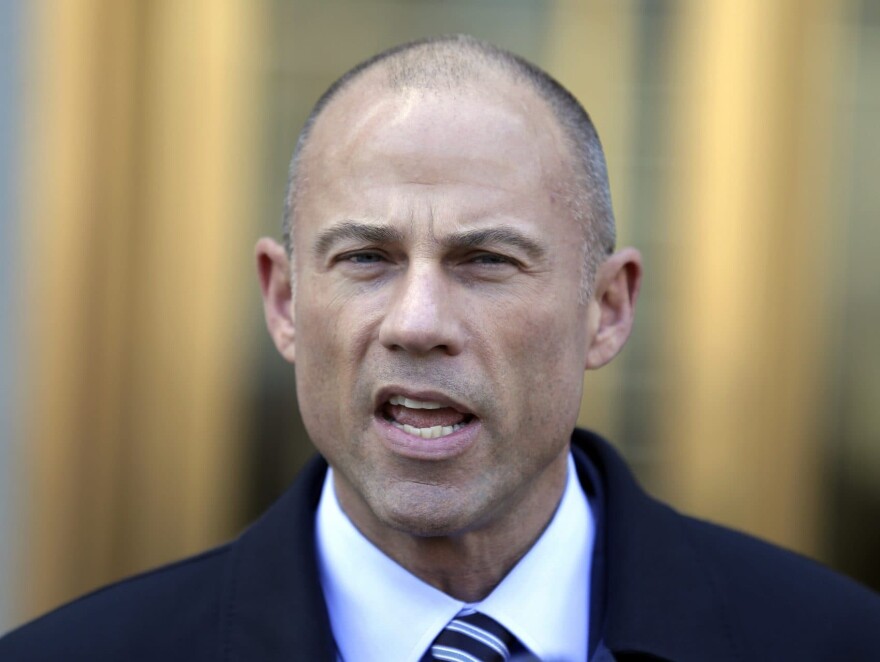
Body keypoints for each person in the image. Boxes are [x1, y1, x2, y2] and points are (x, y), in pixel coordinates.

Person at [2, 34, 879, 662]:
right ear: (285, 302)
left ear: (606, 309)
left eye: (486, 261)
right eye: (367, 258)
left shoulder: (833, 641)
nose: (417, 321)